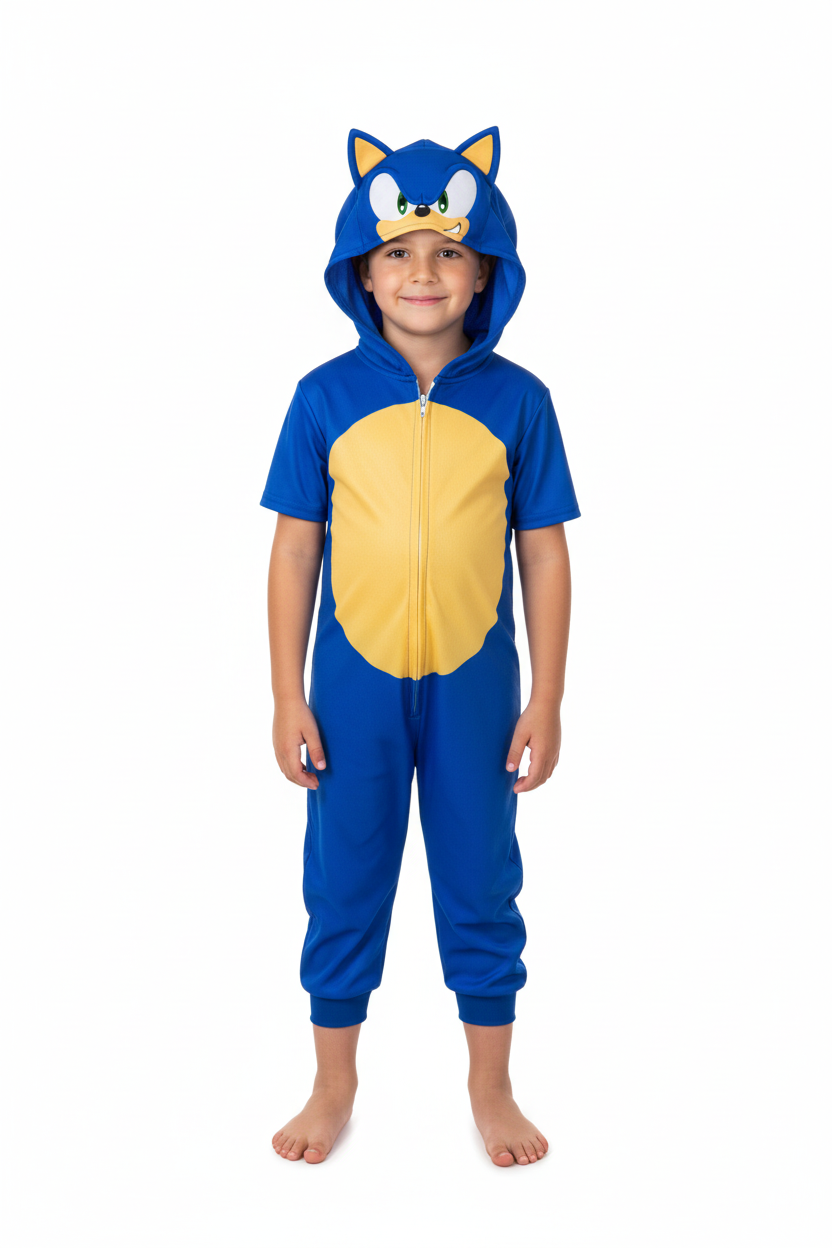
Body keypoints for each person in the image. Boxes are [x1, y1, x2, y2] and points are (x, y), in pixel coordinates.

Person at [261, 127, 580, 1167]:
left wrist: (547, 698)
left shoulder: (520, 401)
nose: (423, 272)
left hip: (477, 690)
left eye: (448, 251)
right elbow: (295, 551)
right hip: (349, 690)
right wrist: (286, 693)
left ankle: (491, 1085)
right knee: (343, 878)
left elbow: (543, 554)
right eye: (397, 251)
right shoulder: (323, 397)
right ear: (363, 271)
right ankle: (333, 1081)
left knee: (481, 878)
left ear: (486, 270)